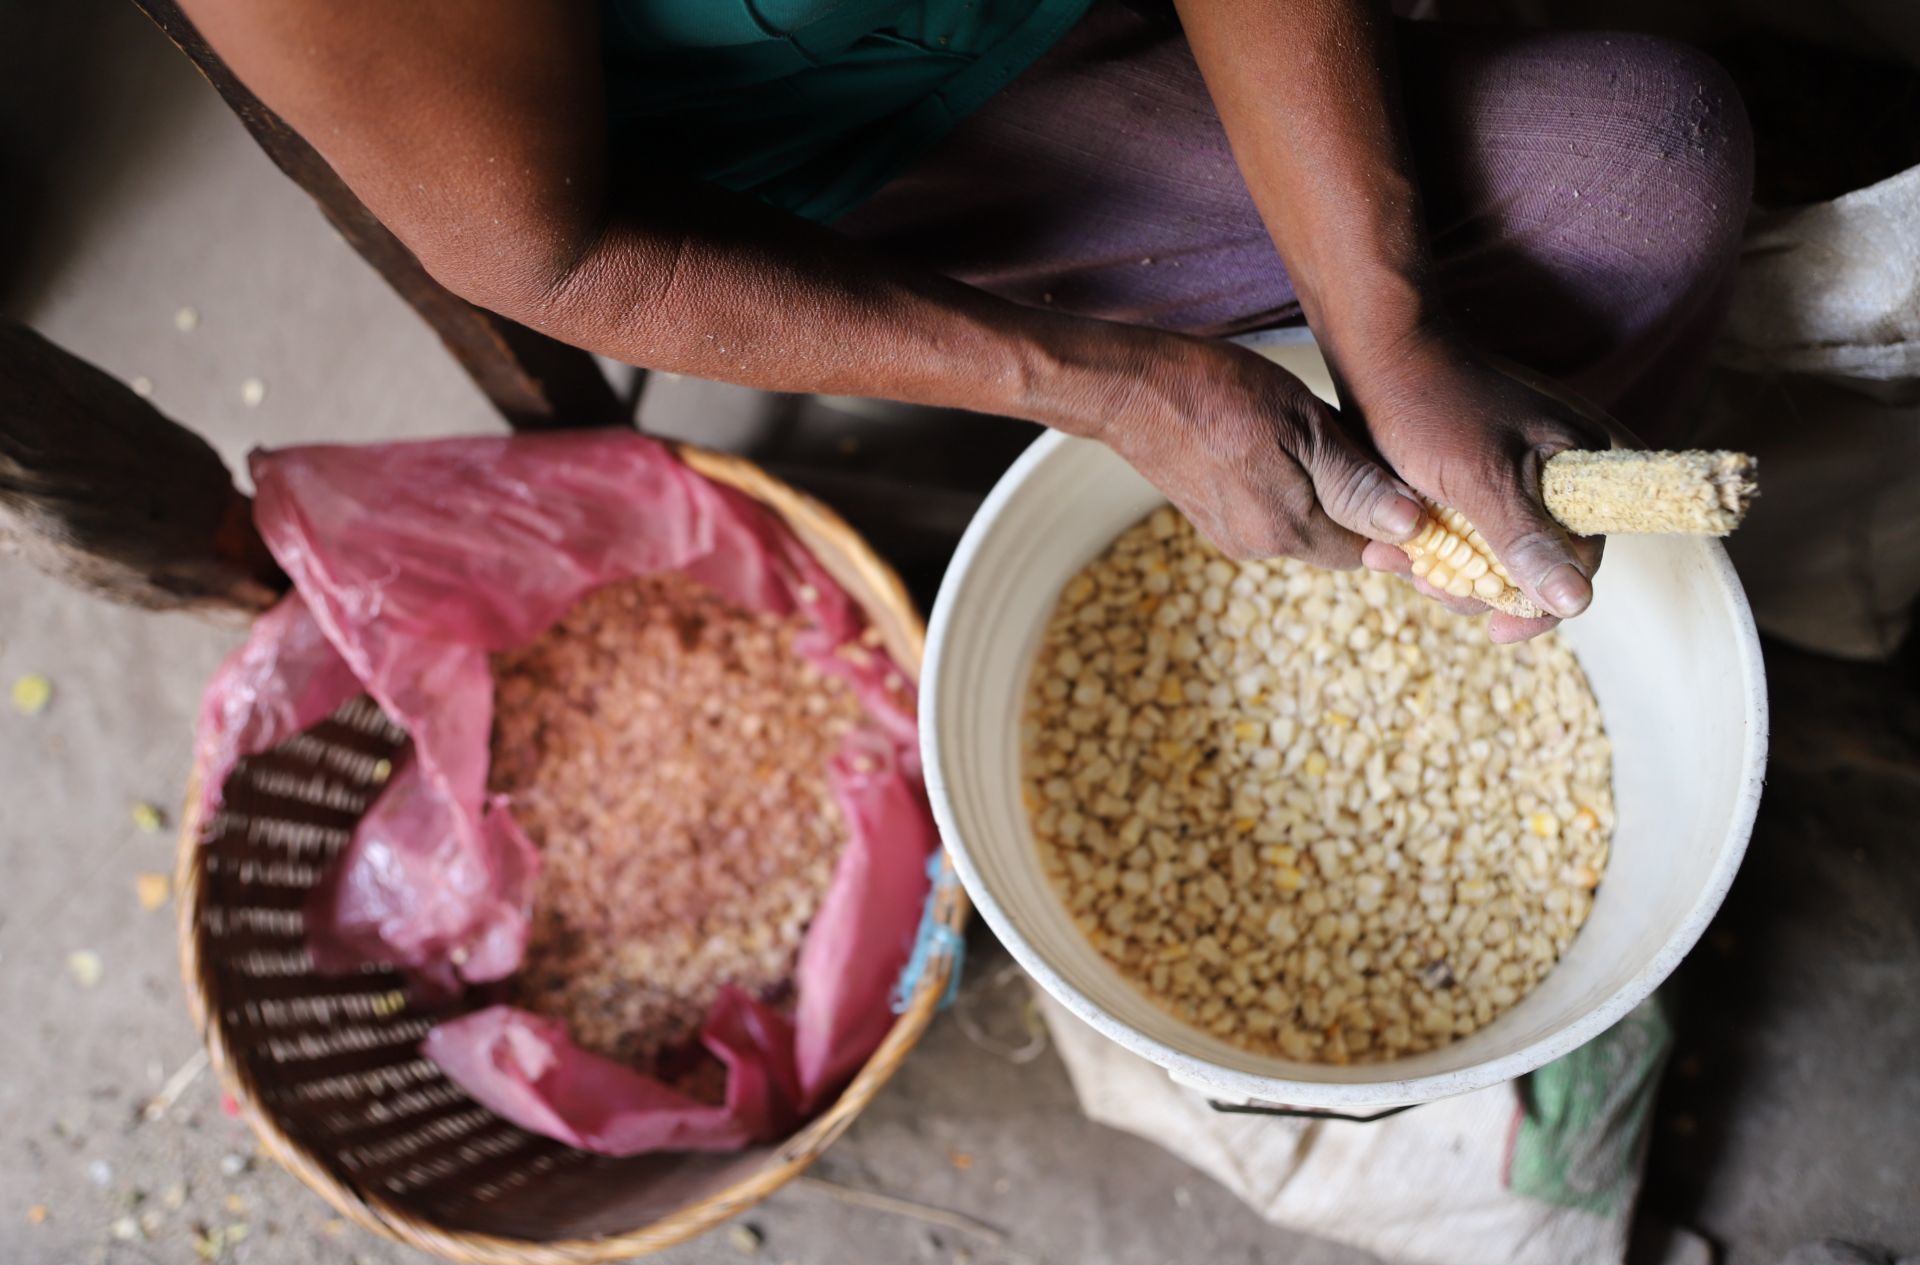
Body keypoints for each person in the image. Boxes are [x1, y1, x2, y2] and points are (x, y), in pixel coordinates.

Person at [178, 0, 1751, 641]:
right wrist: (1121, 388)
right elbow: (553, 249)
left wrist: (1388, 322)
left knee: (1642, 173)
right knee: (1628, 169)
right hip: (847, 152)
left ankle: (1513, 565)